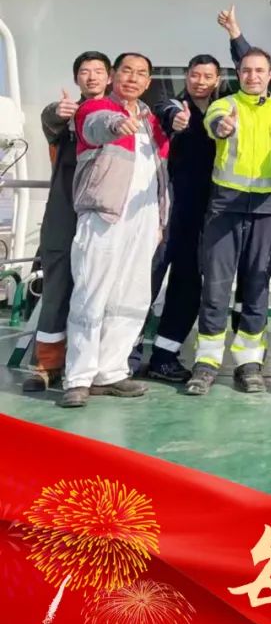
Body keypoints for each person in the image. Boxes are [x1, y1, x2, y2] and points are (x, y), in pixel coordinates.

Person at [58, 53, 170, 408]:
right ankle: (78, 377)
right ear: (113, 76)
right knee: (91, 293)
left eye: (141, 74)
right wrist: (115, 124)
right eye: (126, 71)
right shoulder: (96, 108)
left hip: (144, 219)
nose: (133, 78)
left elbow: (160, 170)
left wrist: (160, 220)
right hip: (104, 214)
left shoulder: (150, 120)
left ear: (148, 82)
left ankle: (111, 371)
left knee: (132, 297)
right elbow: (95, 126)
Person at [186, 49, 271, 395]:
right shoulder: (223, 105)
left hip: (266, 208)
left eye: (260, 70)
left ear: (270, 75)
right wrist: (222, 127)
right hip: (225, 206)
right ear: (238, 73)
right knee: (216, 287)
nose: (252, 76)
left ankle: (249, 363)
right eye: (246, 70)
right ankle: (206, 362)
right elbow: (214, 124)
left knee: (257, 287)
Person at [23, 51, 113, 391]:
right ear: (76, 78)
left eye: (98, 71)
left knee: (103, 290)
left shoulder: (123, 116)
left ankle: (100, 367)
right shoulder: (67, 114)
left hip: (105, 213)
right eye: (85, 71)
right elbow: (50, 120)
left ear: (109, 77)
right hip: (65, 210)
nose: (92, 76)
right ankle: (47, 364)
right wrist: (55, 112)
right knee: (58, 285)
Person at [144, 54, 225, 383]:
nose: (200, 81)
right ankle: (125, 355)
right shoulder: (173, 105)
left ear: (217, 80)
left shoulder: (222, 112)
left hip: (203, 215)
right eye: (195, 75)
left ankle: (164, 357)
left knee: (189, 286)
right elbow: (166, 112)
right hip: (167, 212)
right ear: (187, 76)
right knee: (146, 281)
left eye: (207, 76)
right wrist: (176, 119)